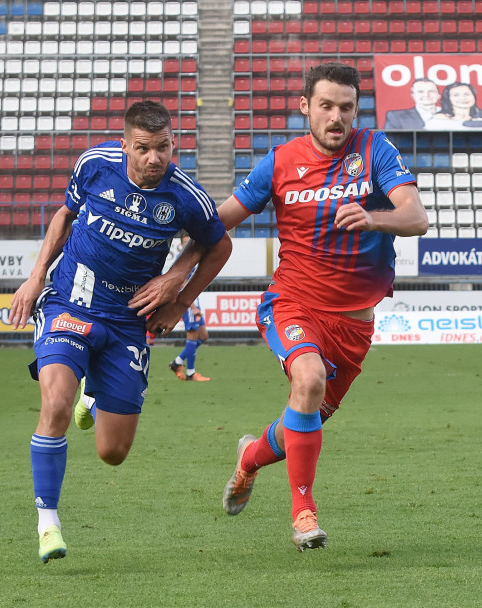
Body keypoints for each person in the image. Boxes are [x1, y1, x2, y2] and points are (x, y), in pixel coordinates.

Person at [155, 61, 428, 552]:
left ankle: (248, 459)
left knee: (303, 419)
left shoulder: (375, 150)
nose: (336, 117)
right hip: (293, 303)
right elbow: (219, 223)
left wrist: (374, 217)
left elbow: (416, 216)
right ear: (305, 106)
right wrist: (178, 280)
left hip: (353, 326)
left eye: (346, 107)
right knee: (308, 379)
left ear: (356, 110)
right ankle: (304, 514)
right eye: (326, 106)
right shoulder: (280, 162)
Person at [9, 100, 232, 564]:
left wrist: (178, 293)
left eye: (164, 147)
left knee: (113, 452)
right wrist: (35, 276)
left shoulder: (186, 197)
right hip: (70, 301)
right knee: (55, 403)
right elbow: (65, 215)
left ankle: (93, 394)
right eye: (144, 148)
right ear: (126, 145)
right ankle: (48, 523)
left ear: (174, 143)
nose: (155, 158)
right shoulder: (95, 164)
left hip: (128, 320)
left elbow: (218, 245)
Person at [166, 236, 211, 381]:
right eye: (185, 242)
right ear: (181, 244)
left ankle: (177, 362)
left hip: (193, 299)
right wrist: (193, 307)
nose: (188, 244)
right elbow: (181, 284)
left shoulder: (192, 257)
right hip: (186, 301)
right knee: (192, 334)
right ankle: (191, 372)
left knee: (203, 336)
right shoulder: (183, 260)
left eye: (190, 241)